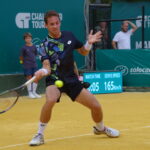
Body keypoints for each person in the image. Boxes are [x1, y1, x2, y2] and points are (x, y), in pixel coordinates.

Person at [29, 10, 120, 146]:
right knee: (50, 100)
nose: (55, 26)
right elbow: (47, 67)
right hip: (54, 79)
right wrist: (41, 71)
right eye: (51, 24)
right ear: (46, 25)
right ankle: (39, 134)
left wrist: (89, 43)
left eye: (57, 23)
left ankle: (100, 128)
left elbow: (83, 51)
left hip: (71, 79)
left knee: (96, 106)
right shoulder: (43, 45)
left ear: (60, 23)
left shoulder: (69, 35)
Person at [20, 32, 41, 99]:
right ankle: (30, 93)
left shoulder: (34, 46)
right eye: (26, 38)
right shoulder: (23, 48)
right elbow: (21, 56)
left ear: (31, 38)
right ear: (24, 39)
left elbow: (35, 54)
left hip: (34, 65)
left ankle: (34, 92)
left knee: (36, 78)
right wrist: (22, 62)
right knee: (29, 78)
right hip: (27, 65)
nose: (28, 39)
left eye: (29, 38)